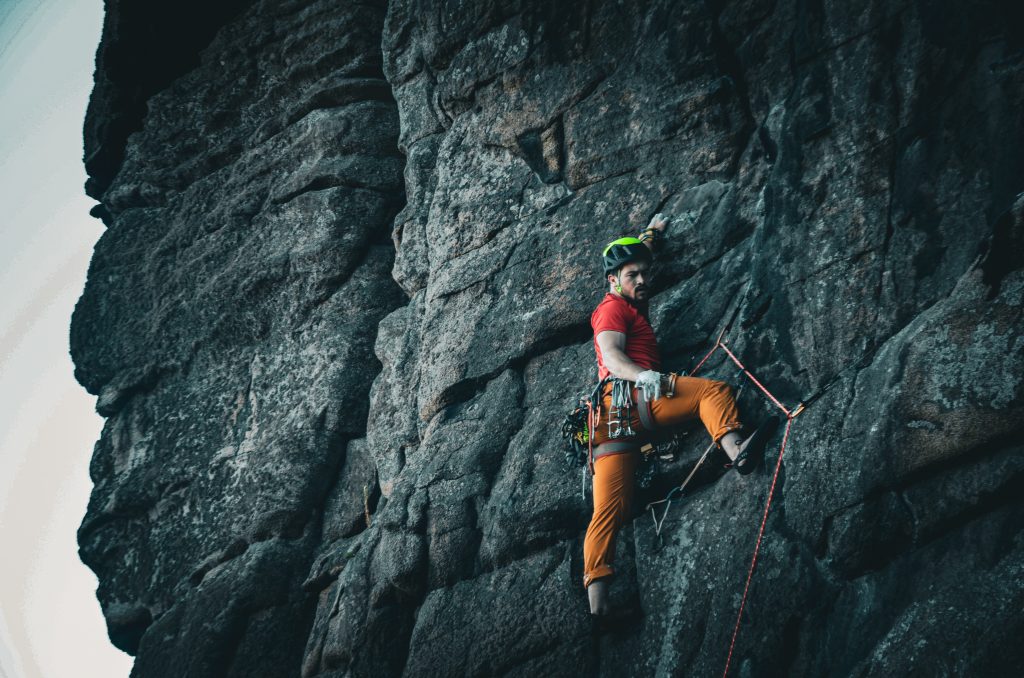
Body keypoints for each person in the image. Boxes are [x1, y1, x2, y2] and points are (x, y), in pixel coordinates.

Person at [583, 214, 779, 617]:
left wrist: (651, 236)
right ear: (612, 280)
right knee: (713, 391)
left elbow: (639, 257)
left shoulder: (627, 291)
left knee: (608, 512)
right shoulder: (611, 310)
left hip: (609, 423)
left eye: (644, 275)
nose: (642, 281)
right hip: (636, 396)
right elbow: (612, 356)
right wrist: (646, 376)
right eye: (632, 275)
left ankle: (597, 610)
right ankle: (737, 450)